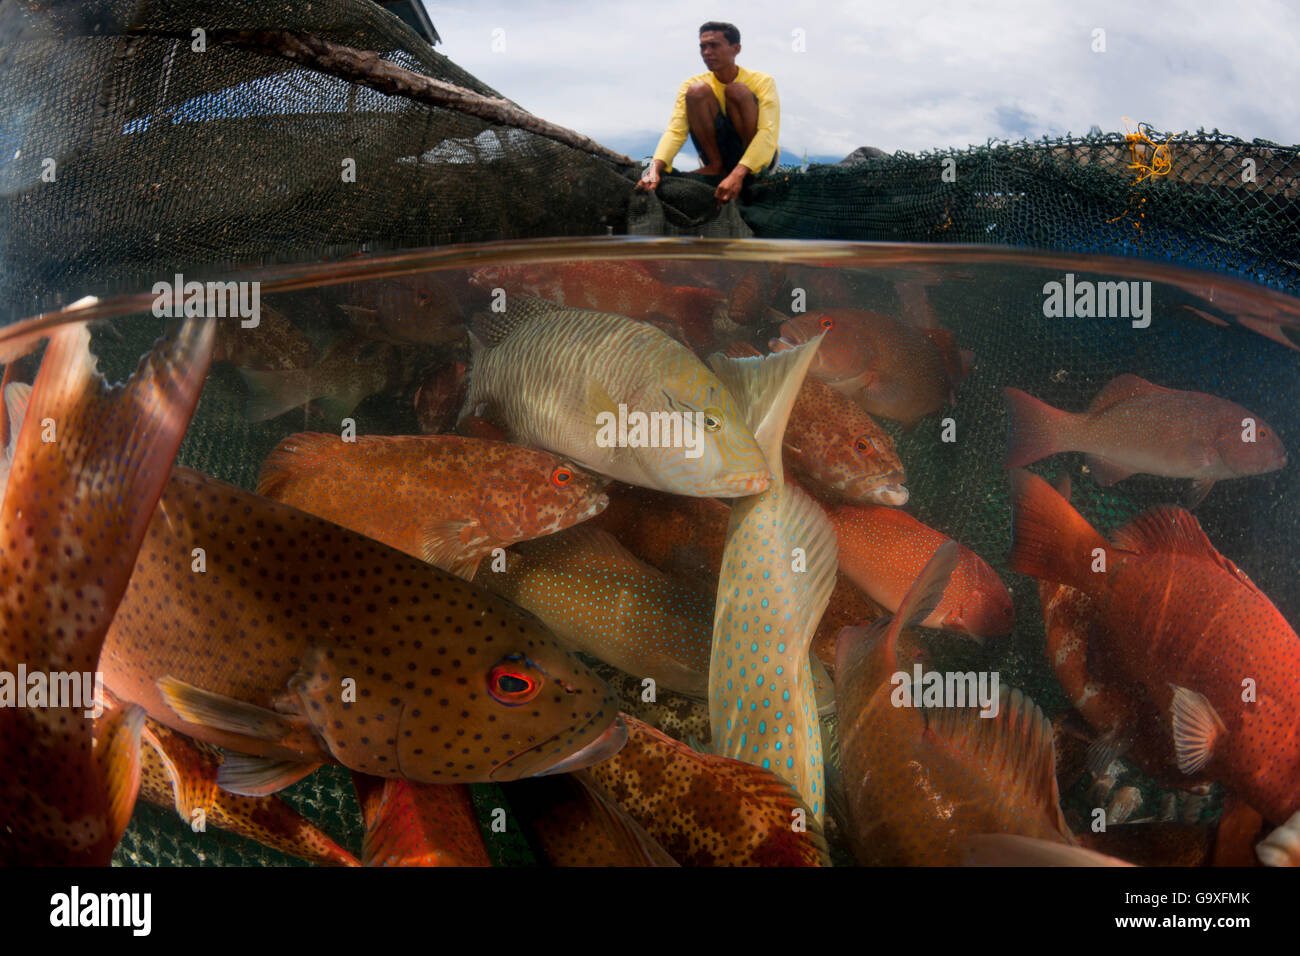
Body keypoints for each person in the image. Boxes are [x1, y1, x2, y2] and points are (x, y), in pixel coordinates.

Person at [636, 21, 779, 205]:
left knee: (737, 91)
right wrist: (654, 169)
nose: (706, 52)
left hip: (758, 161)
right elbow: (675, 131)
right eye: (702, 47)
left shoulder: (763, 81)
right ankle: (716, 166)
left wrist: (737, 174)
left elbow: (768, 133)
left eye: (714, 45)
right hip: (719, 155)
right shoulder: (690, 84)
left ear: (736, 49)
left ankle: (744, 171)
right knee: (696, 91)